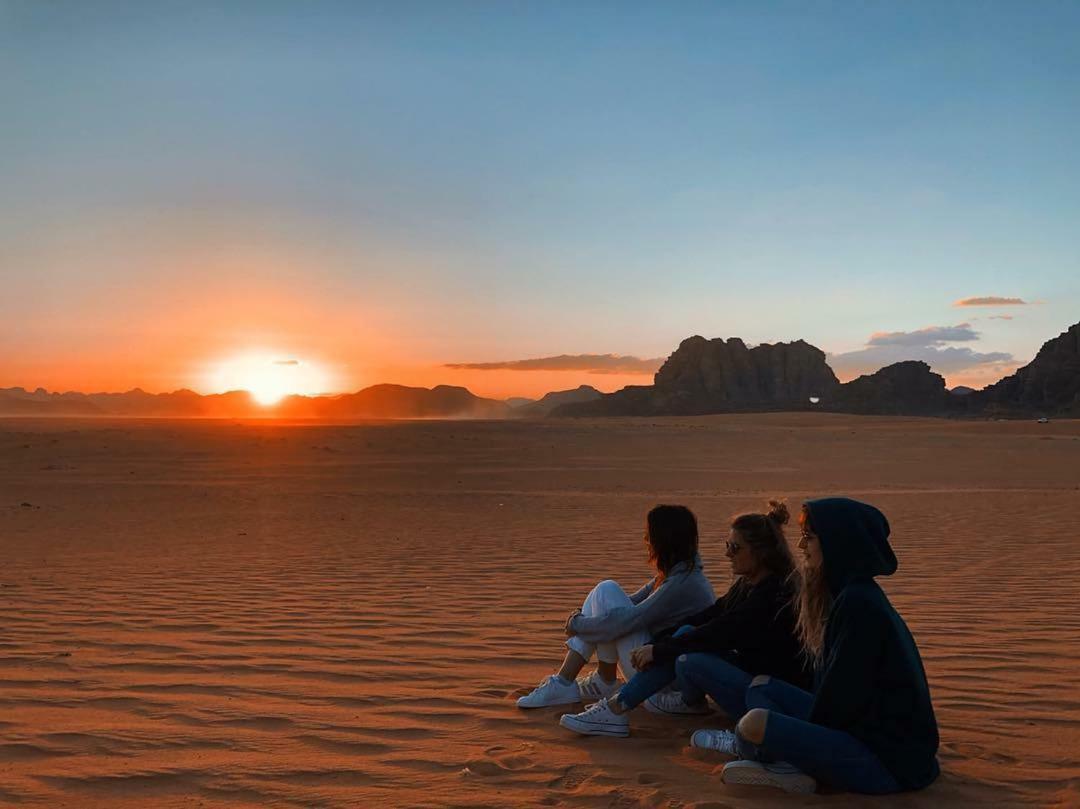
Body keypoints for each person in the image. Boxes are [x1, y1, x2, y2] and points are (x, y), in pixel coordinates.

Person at [719, 497, 940, 795]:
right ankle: (778, 760)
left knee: (755, 722)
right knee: (762, 687)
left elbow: (839, 704)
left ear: (838, 543)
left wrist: (786, 735)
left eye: (809, 538)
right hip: (861, 732)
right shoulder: (850, 594)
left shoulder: (859, 605)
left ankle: (774, 761)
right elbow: (833, 700)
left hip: (886, 763)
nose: (800, 547)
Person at [559, 500, 809, 740]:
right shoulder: (748, 584)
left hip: (764, 695)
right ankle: (605, 697)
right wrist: (662, 642)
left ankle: (615, 706)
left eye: (735, 548)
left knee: (690, 657)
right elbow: (711, 615)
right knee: (684, 635)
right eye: (727, 544)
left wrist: (659, 649)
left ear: (761, 553)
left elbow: (719, 630)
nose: (727, 554)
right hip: (745, 674)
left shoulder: (772, 595)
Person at [517, 504, 715, 709]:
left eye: (650, 535)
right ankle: (599, 681)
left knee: (607, 592)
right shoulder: (676, 575)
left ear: (664, 540)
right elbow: (630, 604)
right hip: (657, 665)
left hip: (663, 683)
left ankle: (569, 681)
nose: (646, 541)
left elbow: (628, 620)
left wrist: (577, 624)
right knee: (605, 594)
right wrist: (583, 619)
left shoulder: (682, 584)